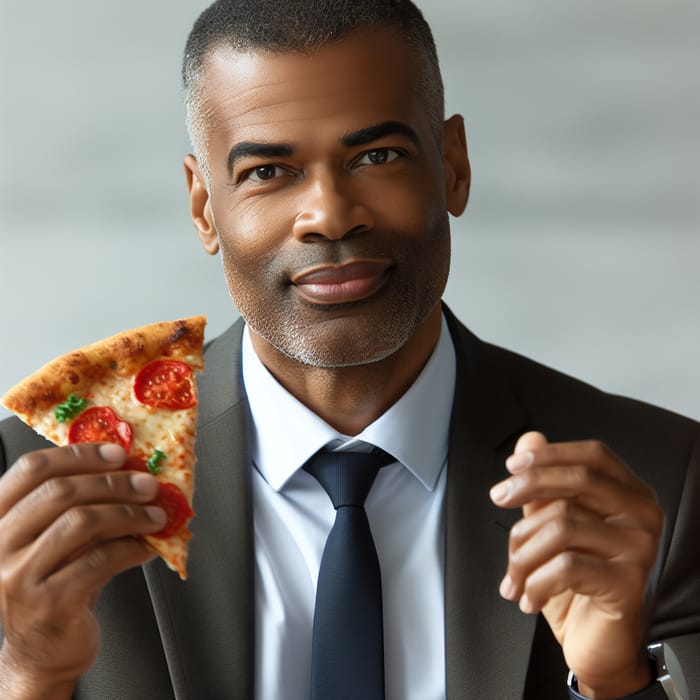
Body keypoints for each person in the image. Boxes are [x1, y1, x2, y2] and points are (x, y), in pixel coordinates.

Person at [0, 1, 698, 698]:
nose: (330, 213)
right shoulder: (30, 490)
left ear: (453, 166)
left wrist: (615, 682)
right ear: (204, 207)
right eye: (269, 171)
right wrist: (30, 674)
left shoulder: (666, 485)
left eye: (378, 156)